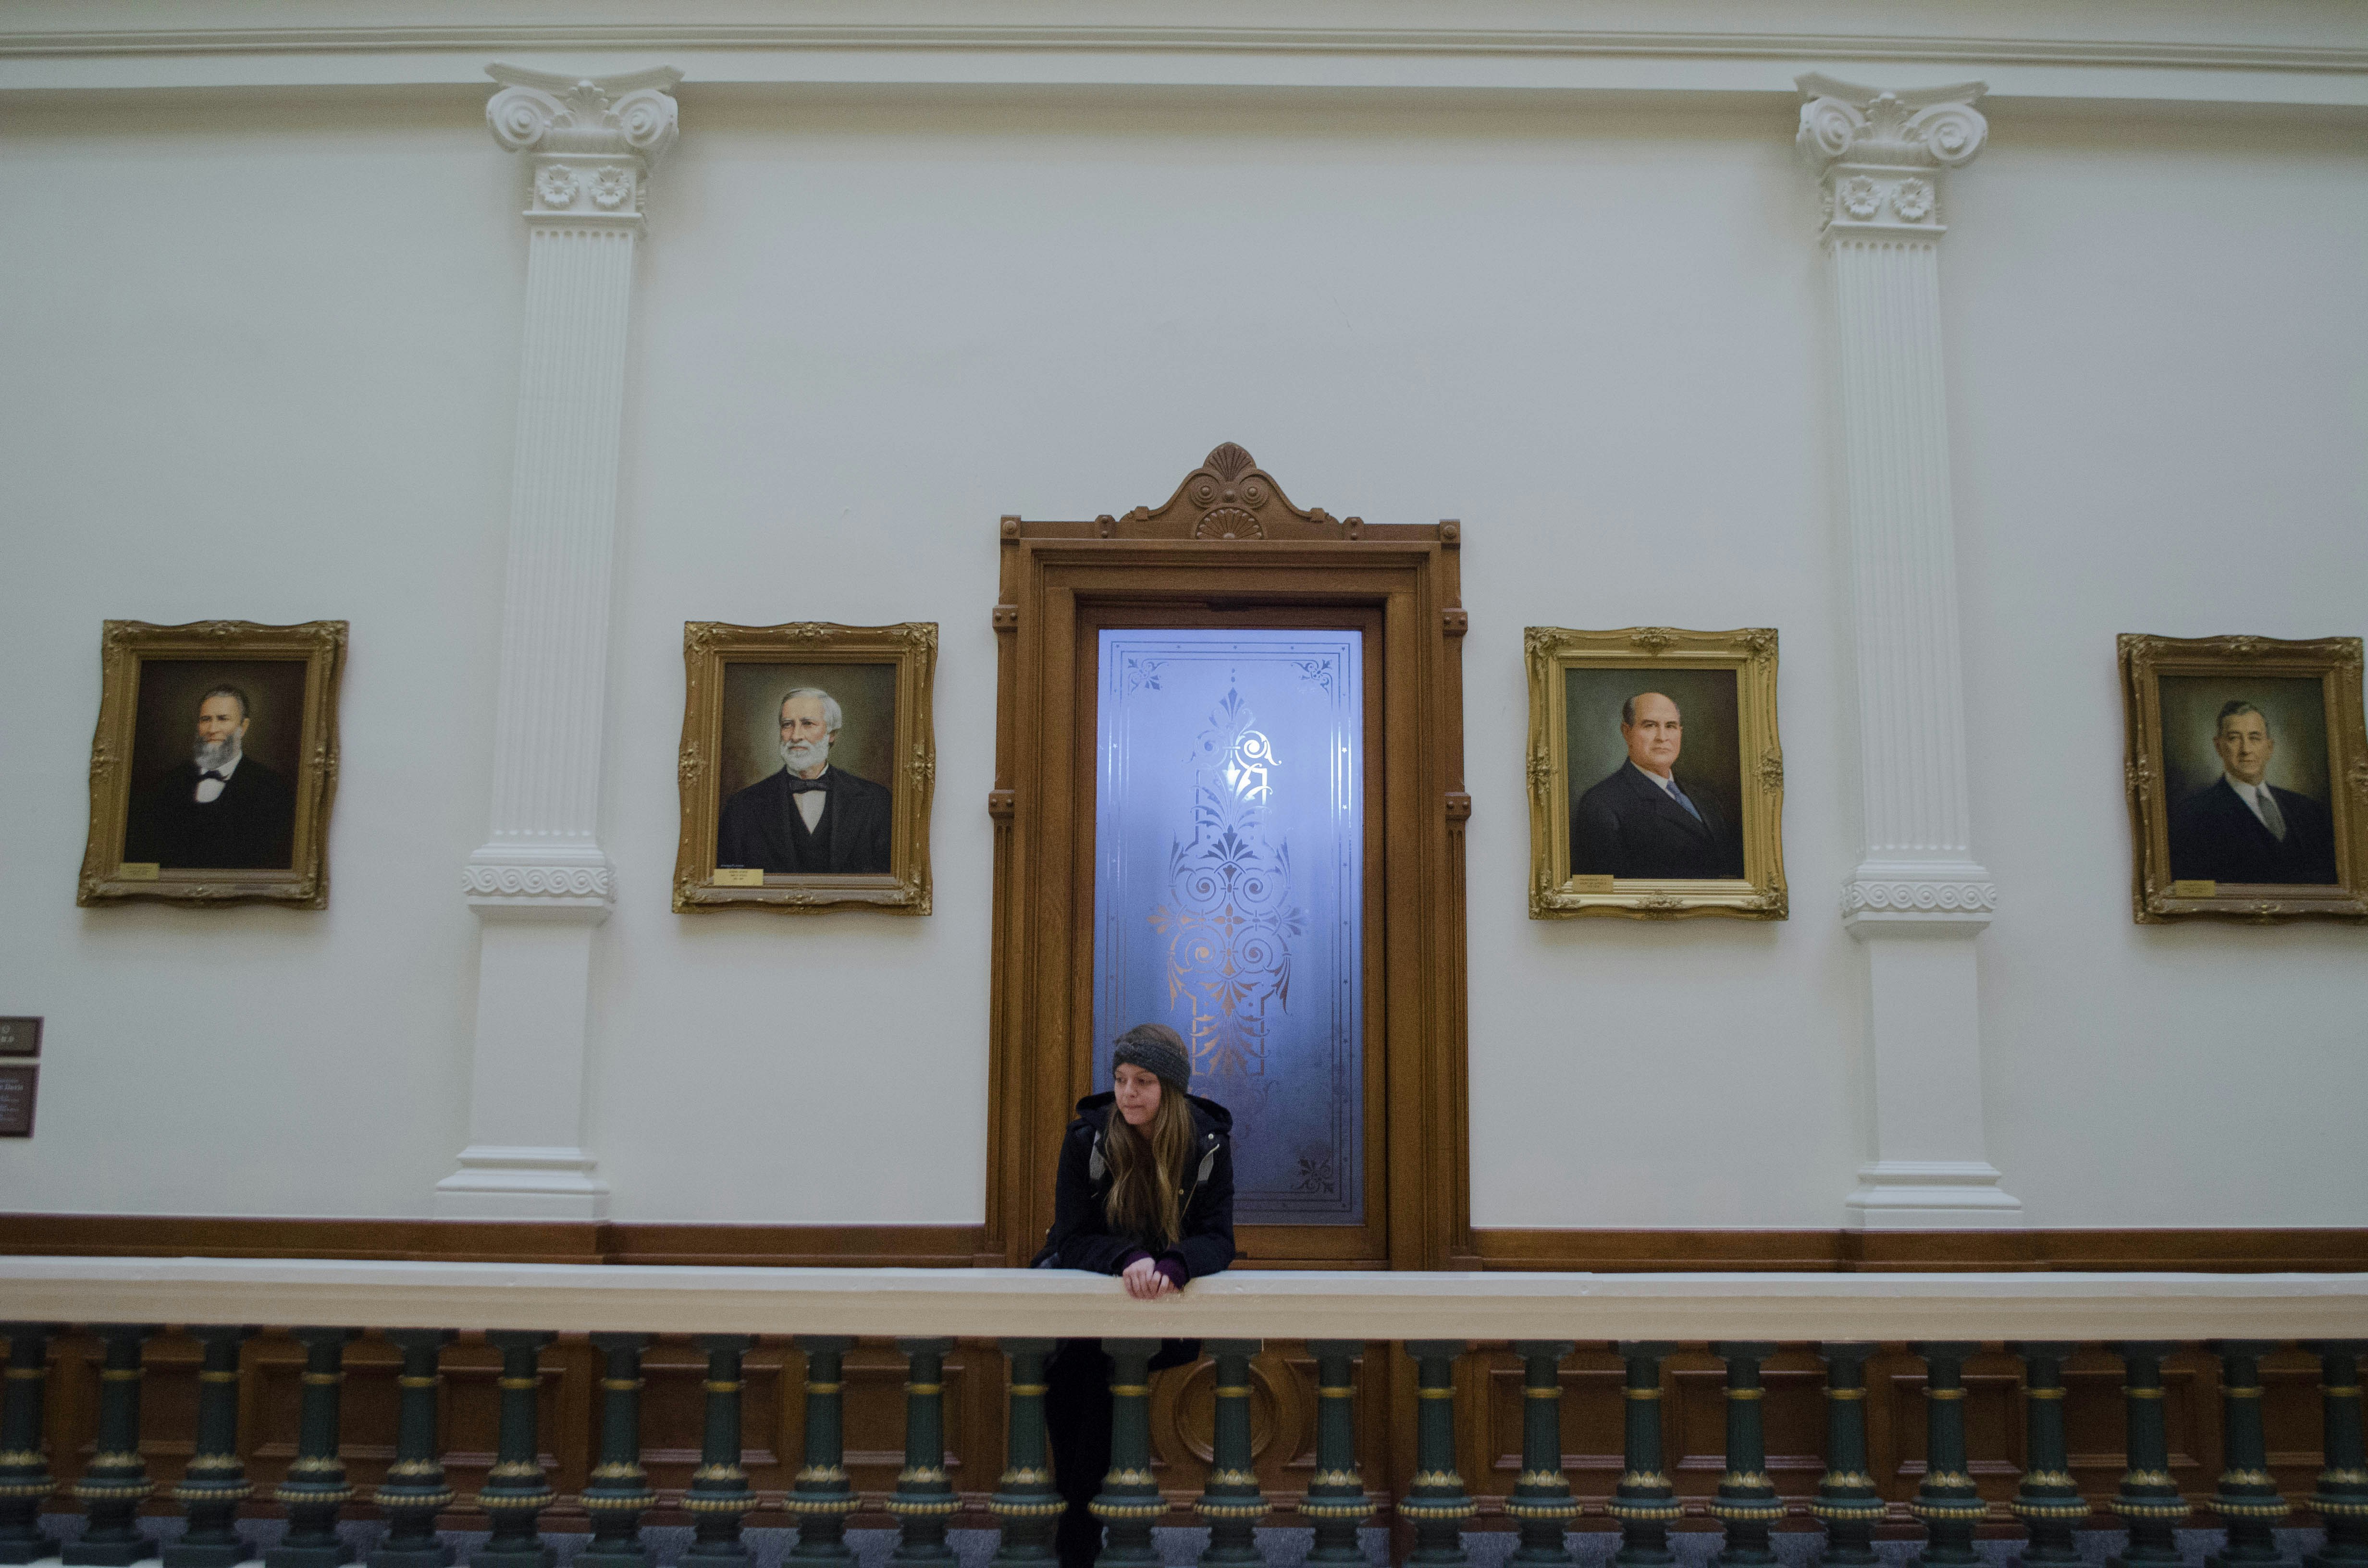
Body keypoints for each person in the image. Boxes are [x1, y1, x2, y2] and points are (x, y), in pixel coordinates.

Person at [1033, 1022, 1235, 1568]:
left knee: (1100, 1396)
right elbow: (1072, 1237)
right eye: (1121, 1079)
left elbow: (1218, 1238)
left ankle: (1079, 1539)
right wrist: (1127, 1258)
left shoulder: (1208, 1145)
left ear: (1170, 1088)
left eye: (1143, 1081)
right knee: (1074, 1395)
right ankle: (1078, 1537)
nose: (1127, 1093)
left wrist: (1176, 1263)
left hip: (1155, 1307)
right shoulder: (1087, 1140)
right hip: (1086, 1307)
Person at [714, 687, 893, 874]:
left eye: (808, 724)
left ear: (831, 734)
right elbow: (728, 880)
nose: (795, 736)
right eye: (787, 725)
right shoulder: (742, 806)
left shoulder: (875, 800)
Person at [1569, 690, 1742, 879]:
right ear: (1627, 732)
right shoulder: (1601, 804)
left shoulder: (1706, 799)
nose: (1662, 737)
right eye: (1650, 725)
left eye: (1671, 726)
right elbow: (1606, 890)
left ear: (1680, 733)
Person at [123, 684, 296, 870]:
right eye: (206, 720)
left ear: (243, 727)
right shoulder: (168, 784)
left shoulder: (270, 787)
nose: (212, 729)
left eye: (223, 719)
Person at [2168, 700, 2338, 885]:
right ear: (2219, 747)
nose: (2246, 750)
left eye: (2254, 738)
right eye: (2234, 738)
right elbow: (2192, 888)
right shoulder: (2193, 814)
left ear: (2269, 748)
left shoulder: (2308, 809)